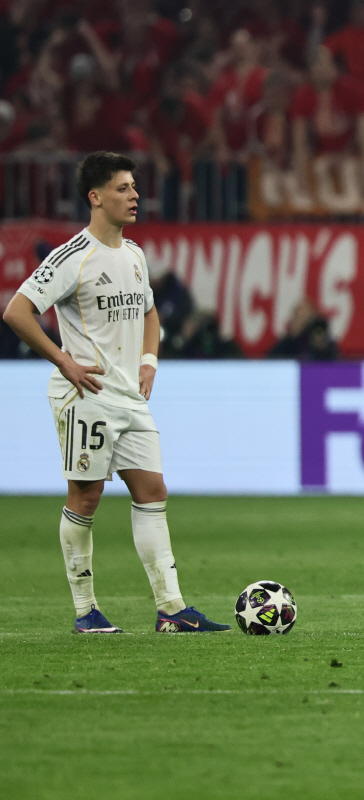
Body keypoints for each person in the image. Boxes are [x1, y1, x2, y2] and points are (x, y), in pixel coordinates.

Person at [1, 152, 229, 634]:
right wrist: (63, 360)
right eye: (124, 188)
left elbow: (149, 312)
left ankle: (171, 609)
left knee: (152, 491)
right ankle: (86, 613)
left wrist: (149, 361)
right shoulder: (71, 257)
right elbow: (17, 311)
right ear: (96, 197)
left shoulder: (134, 255)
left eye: (134, 188)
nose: (135, 196)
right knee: (85, 499)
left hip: (130, 397)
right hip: (86, 395)